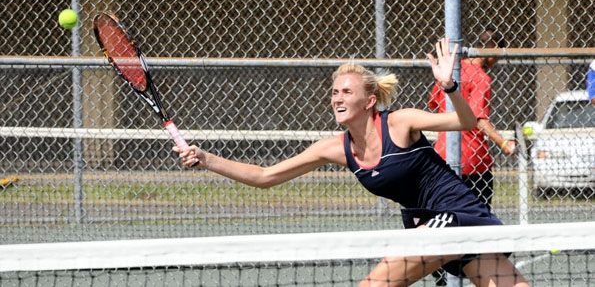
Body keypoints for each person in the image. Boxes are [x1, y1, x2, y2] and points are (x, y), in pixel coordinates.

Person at [175, 38, 530, 287]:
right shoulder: (335, 148)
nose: (337, 97)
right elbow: (265, 175)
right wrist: (206, 159)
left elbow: (466, 123)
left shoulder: (400, 122)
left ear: (370, 100)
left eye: (347, 91)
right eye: (334, 92)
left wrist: (450, 86)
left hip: (458, 217)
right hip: (430, 226)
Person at [428, 28, 516, 211]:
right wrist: (504, 143)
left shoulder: (450, 71)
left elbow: (435, 104)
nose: (496, 61)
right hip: (473, 161)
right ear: (492, 49)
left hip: (442, 155)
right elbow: (479, 119)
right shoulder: (481, 78)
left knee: (446, 215)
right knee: (479, 217)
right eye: (497, 55)